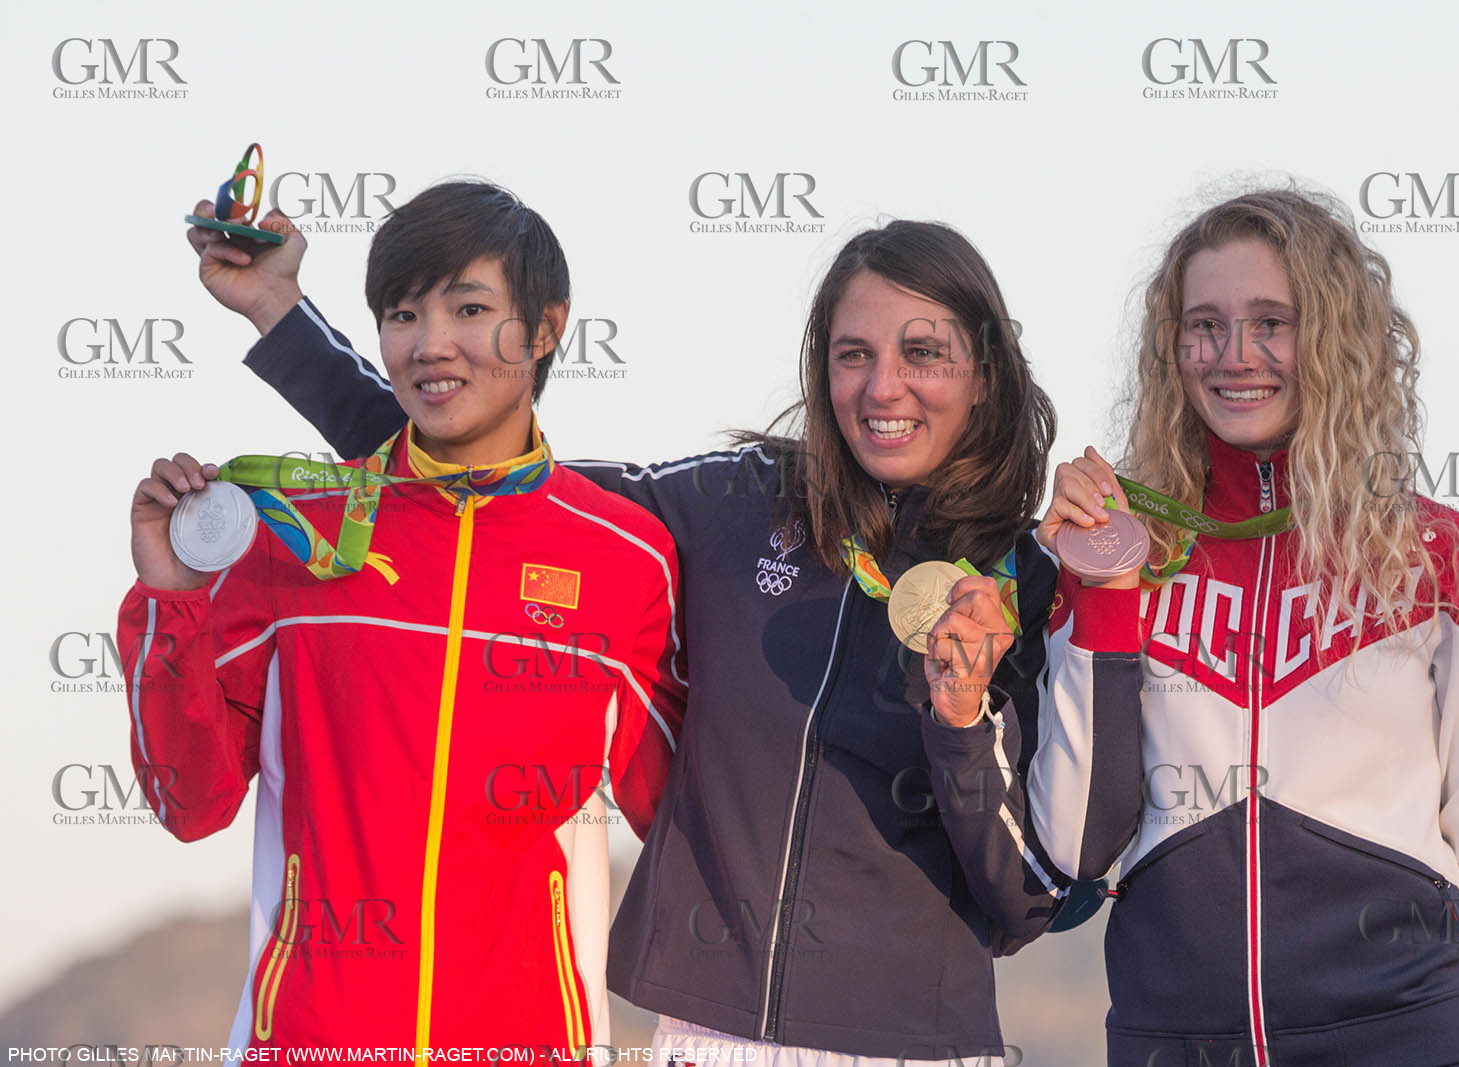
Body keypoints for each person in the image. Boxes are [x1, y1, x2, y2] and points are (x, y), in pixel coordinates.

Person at [196, 212, 1143, 1064]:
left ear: (985, 373)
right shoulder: (737, 503)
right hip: (705, 1037)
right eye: (852, 353)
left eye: (922, 352)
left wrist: (963, 716)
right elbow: (480, 474)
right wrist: (281, 316)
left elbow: (1030, 897)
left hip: (913, 1047)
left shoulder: (1022, 582)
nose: (882, 385)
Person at [120, 183, 687, 1058]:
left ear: (546, 328)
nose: (430, 345)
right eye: (402, 314)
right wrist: (171, 601)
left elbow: (698, 819)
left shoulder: (624, 559)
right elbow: (188, 802)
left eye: (470, 309)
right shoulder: (293, 535)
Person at [1031, 187, 1459, 1066]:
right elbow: (1074, 845)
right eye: (1204, 325)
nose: (1235, 355)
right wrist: (1101, 589)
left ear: (1333, 338)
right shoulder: (1123, 556)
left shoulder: (1449, 560)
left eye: (1271, 323)